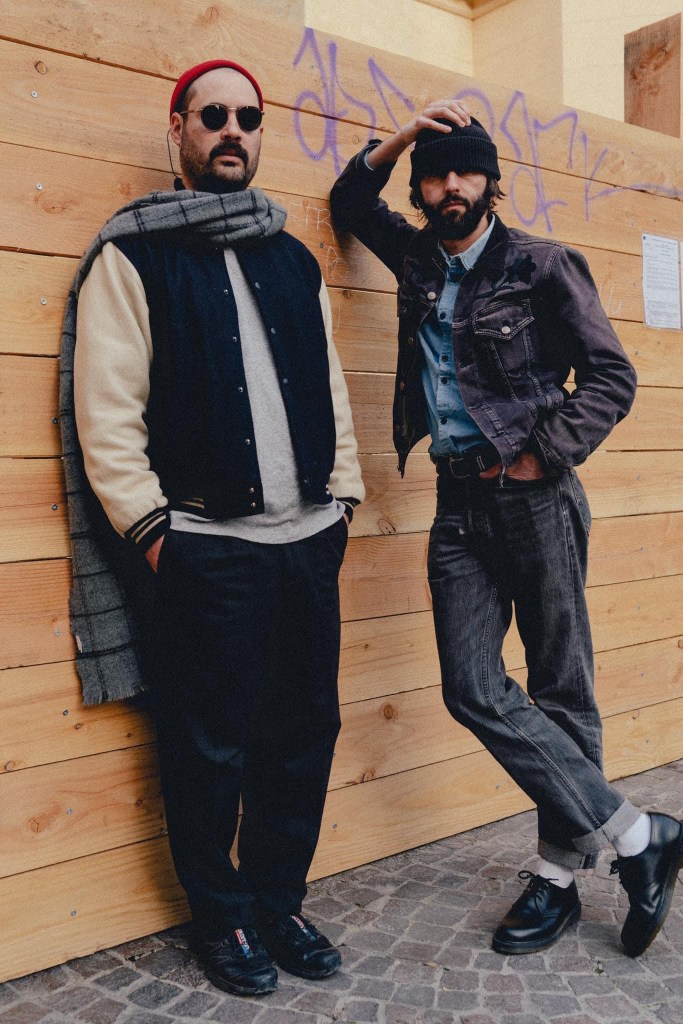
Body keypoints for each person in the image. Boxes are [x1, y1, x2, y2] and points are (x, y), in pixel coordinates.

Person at [330, 100, 683, 958]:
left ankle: (557, 878)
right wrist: (405, 135)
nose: (450, 185)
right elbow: (349, 200)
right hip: (456, 504)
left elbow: (610, 376)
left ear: (490, 181)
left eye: (465, 171)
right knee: (471, 686)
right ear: (420, 189)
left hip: (534, 499)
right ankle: (638, 835)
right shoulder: (417, 257)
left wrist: (540, 456)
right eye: (435, 175)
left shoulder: (542, 264)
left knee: (560, 686)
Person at [70, 60, 364, 997]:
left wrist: (342, 503)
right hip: (207, 550)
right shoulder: (134, 255)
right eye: (213, 116)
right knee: (209, 746)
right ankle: (223, 917)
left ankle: (279, 902)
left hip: (306, 543)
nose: (232, 129)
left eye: (247, 116)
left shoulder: (293, 258)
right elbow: (106, 413)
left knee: (303, 733)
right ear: (179, 130)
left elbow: (331, 393)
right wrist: (157, 533)